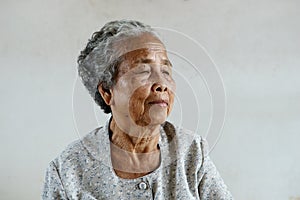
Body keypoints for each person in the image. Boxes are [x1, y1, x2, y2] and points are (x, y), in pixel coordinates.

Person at [42, 20, 233, 199]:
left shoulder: (191, 151)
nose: (162, 84)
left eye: (166, 71)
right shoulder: (68, 169)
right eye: (143, 71)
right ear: (107, 92)